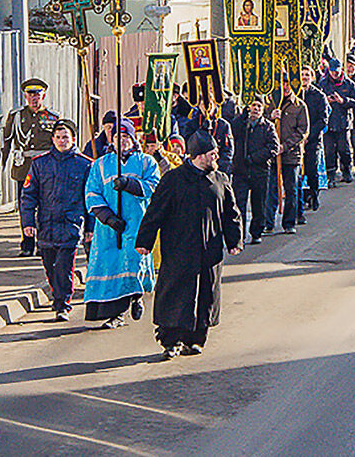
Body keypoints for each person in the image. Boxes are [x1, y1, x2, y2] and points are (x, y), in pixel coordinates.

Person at [136, 131, 243, 359]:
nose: (216, 159)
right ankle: (170, 340)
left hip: (210, 249)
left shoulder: (220, 179)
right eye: (212, 155)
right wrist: (144, 240)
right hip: (179, 249)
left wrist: (234, 240)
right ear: (199, 156)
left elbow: (231, 213)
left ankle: (196, 340)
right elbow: (155, 211)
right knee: (176, 294)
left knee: (206, 294)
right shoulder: (174, 180)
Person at [84, 119, 159, 328]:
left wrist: (129, 184)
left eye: (126, 136)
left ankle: (135, 297)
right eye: (118, 137)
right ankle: (115, 314)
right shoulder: (100, 165)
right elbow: (92, 193)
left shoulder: (146, 162)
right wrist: (108, 217)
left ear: (133, 139)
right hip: (108, 229)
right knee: (110, 266)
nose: (122, 140)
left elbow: (154, 187)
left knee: (133, 262)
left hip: (136, 223)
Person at [19, 119, 91, 322]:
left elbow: (91, 199)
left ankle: (62, 304)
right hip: (46, 225)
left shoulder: (84, 164)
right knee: (50, 266)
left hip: (71, 224)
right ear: (53, 139)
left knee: (64, 266)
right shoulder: (40, 164)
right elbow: (28, 195)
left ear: (73, 139)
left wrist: (90, 227)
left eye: (65, 137)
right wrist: (28, 223)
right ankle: (57, 295)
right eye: (58, 137)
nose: (61, 141)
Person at [0, 78, 61, 257]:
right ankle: (27, 244)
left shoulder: (54, 117)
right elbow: (5, 142)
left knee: (46, 207)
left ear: (43, 95)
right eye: (30, 94)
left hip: (46, 169)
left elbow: (59, 143)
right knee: (26, 207)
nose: (34, 98)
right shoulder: (16, 116)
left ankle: (43, 243)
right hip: (24, 169)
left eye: (37, 94)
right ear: (25, 96)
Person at [231, 95, 279, 245]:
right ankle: (239, 235)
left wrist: (254, 158)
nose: (256, 109)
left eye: (259, 106)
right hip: (241, 171)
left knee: (259, 204)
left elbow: (273, 148)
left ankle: (256, 231)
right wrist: (243, 115)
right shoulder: (241, 124)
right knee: (239, 204)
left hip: (260, 171)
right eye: (253, 105)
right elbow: (233, 131)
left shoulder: (267, 127)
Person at [272, 77, 309, 233]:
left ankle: (289, 222)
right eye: (282, 84)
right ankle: (267, 222)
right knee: (271, 189)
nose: (285, 87)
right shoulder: (272, 103)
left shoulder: (299, 106)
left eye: (287, 84)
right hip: (272, 154)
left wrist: (285, 146)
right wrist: (271, 117)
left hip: (291, 154)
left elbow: (303, 130)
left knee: (291, 188)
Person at [321, 58, 355, 184]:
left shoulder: (349, 84)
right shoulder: (323, 83)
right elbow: (318, 100)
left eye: (336, 71)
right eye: (332, 71)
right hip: (329, 123)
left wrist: (343, 101)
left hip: (343, 122)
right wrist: (326, 100)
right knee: (329, 151)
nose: (334, 74)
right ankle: (331, 175)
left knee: (344, 149)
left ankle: (346, 170)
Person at [300, 66, 329, 213]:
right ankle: (301, 198)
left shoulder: (318, 96)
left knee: (311, 170)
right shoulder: (295, 94)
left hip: (312, 140)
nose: (304, 77)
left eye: (307, 75)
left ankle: (314, 193)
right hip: (296, 141)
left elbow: (322, 120)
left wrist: (308, 136)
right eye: (302, 74)